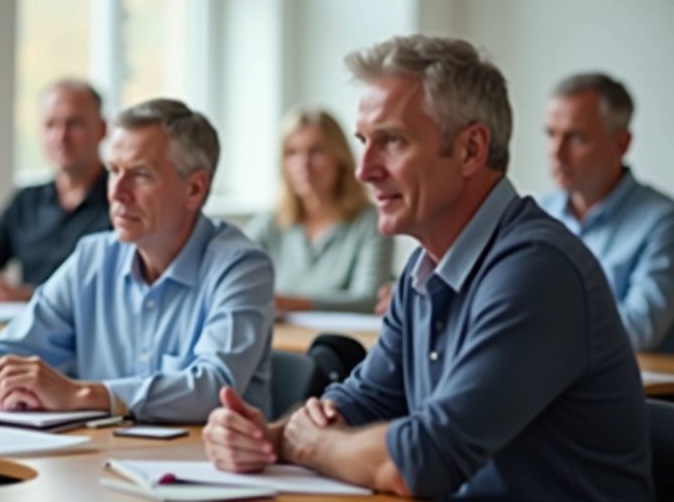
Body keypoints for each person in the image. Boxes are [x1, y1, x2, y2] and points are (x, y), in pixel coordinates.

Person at [202, 36, 652, 500]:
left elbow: (421, 462)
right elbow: (364, 401)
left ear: (470, 150)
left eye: (393, 141)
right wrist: (268, 439)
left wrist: (313, 446)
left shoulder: (538, 271)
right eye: (363, 142)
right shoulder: (425, 267)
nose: (363, 171)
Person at [0, 99, 274, 423]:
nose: (117, 193)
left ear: (194, 189)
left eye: (141, 174)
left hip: (201, 455)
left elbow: (213, 389)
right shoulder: (92, 258)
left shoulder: (241, 266)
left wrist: (79, 395)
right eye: (113, 171)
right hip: (99, 451)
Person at [540, 72, 674, 352]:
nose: (556, 152)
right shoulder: (538, 213)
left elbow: (638, 329)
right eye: (551, 134)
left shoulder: (662, 222)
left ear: (621, 144)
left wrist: (534, 327)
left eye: (575, 137)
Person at [0, 79, 111, 303]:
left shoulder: (123, 202)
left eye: (74, 124)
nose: (61, 137)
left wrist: (24, 295)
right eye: (50, 125)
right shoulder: (27, 201)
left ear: (102, 129)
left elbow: (116, 286)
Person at [245, 106, 392, 313]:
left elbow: (369, 300)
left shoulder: (371, 222)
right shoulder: (270, 223)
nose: (304, 164)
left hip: (341, 333)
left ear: (340, 157)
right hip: (281, 333)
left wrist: (289, 303)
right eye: (292, 153)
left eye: (316, 151)